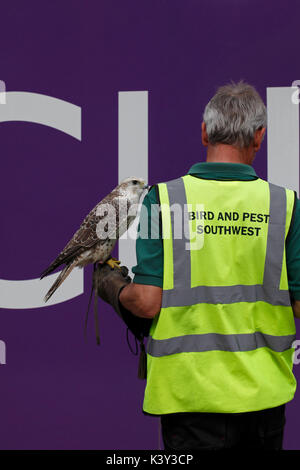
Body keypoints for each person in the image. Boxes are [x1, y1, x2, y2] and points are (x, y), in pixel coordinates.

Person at [96, 81, 300, 450]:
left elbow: (145, 302)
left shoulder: (163, 199)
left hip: (190, 399)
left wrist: (112, 287)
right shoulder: (284, 205)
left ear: (205, 132)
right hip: (264, 400)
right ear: (259, 136)